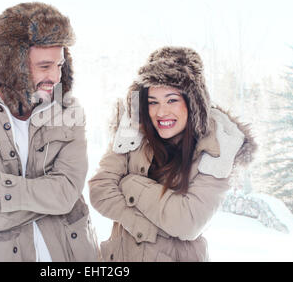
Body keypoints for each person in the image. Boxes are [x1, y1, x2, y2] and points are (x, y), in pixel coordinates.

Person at [0, 2, 100, 262]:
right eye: (44, 66)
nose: (55, 76)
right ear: (12, 64)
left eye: (60, 65)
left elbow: (66, 195)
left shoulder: (69, 110)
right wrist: (50, 196)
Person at [88, 46, 257, 262]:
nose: (161, 112)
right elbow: (100, 189)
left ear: (192, 102)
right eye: (153, 102)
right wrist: (146, 226)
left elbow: (188, 222)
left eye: (171, 100)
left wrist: (130, 184)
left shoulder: (218, 147)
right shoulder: (132, 131)